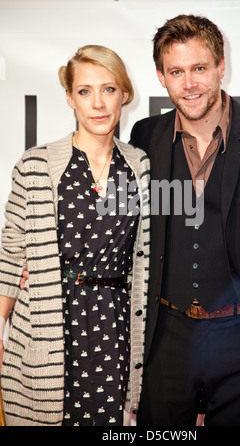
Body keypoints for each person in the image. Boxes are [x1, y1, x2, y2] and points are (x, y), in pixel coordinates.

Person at [130, 14, 240, 426]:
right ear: (161, 77)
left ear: (221, 67)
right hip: (165, 339)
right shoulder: (144, 136)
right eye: (177, 71)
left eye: (199, 68)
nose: (189, 84)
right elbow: (124, 227)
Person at [0, 45, 150, 426]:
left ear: (125, 94)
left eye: (109, 89)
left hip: (114, 329)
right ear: (70, 97)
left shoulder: (139, 167)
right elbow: (12, 252)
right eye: (84, 91)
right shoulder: (37, 165)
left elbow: (146, 257)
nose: (97, 103)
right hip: (46, 325)